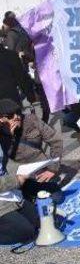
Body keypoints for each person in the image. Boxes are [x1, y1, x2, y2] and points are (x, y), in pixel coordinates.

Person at [0, 100, 38, 245]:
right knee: (25, 232)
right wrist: (16, 180)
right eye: (9, 116)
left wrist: (8, 137)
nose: (15, 119)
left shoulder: (4, 133)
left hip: (9, 193)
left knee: (37, 222)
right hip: (4, 191)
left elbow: (6, 164)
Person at [7, 104, 63, 202]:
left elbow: (56, 141)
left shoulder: (31, 120)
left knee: (56, 199)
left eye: (18, 113)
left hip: (40, 170)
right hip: (17, 177)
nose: (16, 117)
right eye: (10, 116)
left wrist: (52, 168)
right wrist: (7, 138)